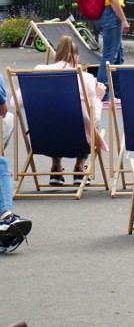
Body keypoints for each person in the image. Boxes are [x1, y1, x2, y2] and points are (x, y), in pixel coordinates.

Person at [32, 36, 108, 185]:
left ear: (55, 56)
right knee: (89, 123)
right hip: (77, 140)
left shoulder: (38, 72)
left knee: (53, 116)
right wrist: (98, 98)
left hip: (44, 139)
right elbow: (95, 119)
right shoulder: (86, 78)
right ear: (76, 58)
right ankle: (79, 168)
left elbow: (16, 103)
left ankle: (56, 167)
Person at [0, 76, 33, 254]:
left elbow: (18, 98)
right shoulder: (86, 80)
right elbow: (3, 109)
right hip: (74, 138)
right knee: (0, 162)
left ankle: (6, 221)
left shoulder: (37, 73)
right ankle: (6, 217)